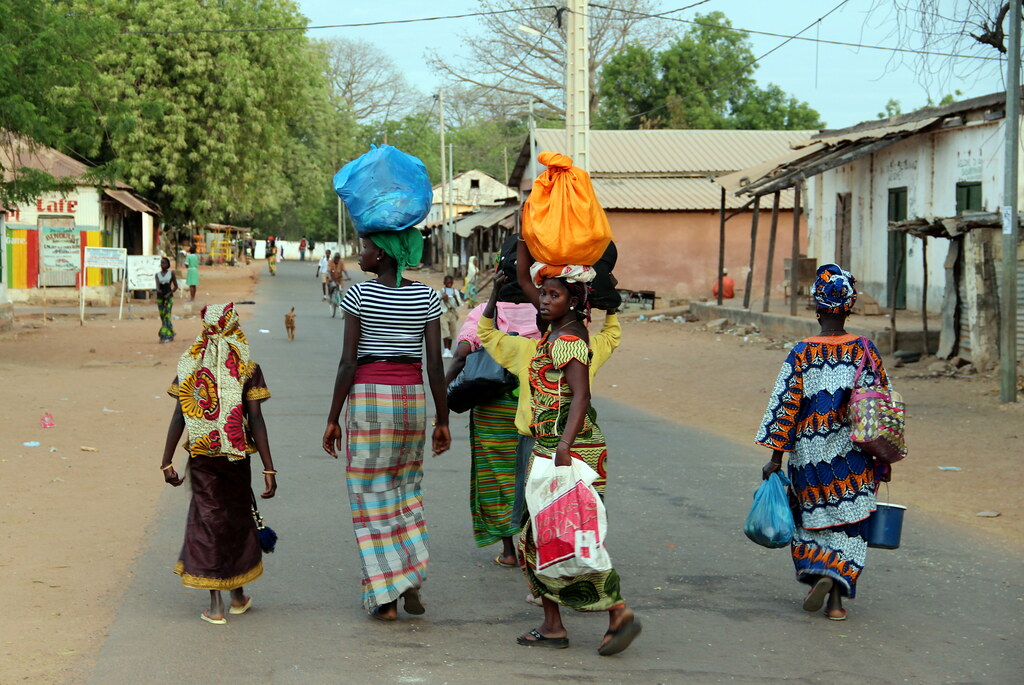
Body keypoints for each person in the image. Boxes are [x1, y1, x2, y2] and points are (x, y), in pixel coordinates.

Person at [478, 260, 641, 656]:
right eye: (543, 294)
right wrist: (525, 232)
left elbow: (581, 397)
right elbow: (524, 280)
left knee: (572, 537)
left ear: (574, 300)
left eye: (553, 295)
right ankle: (553, 625)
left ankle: (617, 611)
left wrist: (565, 446)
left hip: (569, 452)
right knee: (539, 537)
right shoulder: (555, 330)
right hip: (551, 448)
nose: (544, 301)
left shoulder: (569, 341)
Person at [322, 227, 451, 622]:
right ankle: (410, 575)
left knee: (371, 496)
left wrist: (332, 418)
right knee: (406, 491)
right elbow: (433, 364)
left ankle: (387, 598)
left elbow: (348, 362)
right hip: (412, 402)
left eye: (365, 249)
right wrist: (441, 419)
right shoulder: (427, 296)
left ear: (382, 255)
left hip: (369, 400)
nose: (359, 255)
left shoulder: (358, 294)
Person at [757, 264, 894, 622]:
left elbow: (785, 406)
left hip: (809, 454)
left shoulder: (801, 351)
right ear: (849, 308)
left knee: (810, 518)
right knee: (848, 520)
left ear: (816, 309)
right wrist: (884, 456)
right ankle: (836, 598)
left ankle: (819, 572)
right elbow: (883, 405)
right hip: (854, 454)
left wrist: (776, 459)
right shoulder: (866, 350)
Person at [159, 303, 277, 625]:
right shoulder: (248, 368)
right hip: (236, 462)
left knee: (208, 524)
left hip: (203, 460)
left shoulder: (191, 368)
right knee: (236, 521)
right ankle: (237, 596)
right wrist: (269, 468)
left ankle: (218, 605)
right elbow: (256, 420)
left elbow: (179, 416)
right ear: (234, 328)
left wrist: (167, 461)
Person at [444, 281, 540, 567]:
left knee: (497, 474)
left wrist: (441, 400)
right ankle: (532, 545)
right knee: (531, 473)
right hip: (534, 404)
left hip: (492, 408)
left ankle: (510, 550)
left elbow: (461, 354)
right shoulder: (546, 308)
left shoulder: (486, 312)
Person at [437, 274, 463, 357]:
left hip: (452, 313)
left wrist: (455, 298)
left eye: (451, 283)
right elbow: (435, 302)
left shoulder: (455, 292)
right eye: (448, 283)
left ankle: (449, 350)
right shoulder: (440, 292)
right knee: (445, 331)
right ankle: (446, 350)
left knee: (452, 331)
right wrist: (442, 298)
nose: (449, 284)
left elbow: (459, 304)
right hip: (443, 313)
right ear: (444, 283)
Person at [155, 256, 178, 343]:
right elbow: (157, 286)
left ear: (168, 265)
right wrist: (158, 290)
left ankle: (164, 334)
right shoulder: (157, 275)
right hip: (160, 298)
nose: (162, 265)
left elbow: (176, 286)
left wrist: (169, 293)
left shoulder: (171, 274)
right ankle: (171, 332)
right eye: (161, 263)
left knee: (166, 315)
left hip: (169, 297)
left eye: (164, 263)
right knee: (162, 316)